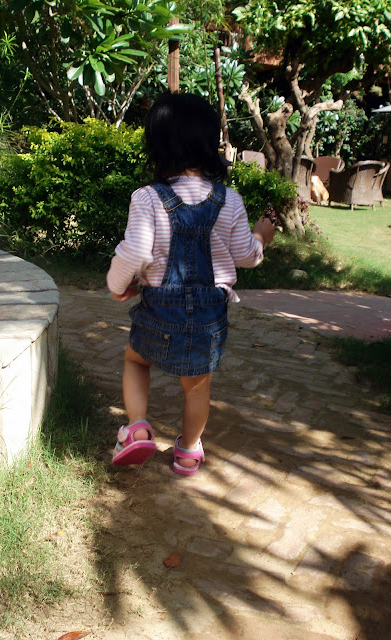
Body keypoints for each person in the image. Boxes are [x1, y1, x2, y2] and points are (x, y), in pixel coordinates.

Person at [106, 93, 275, 476]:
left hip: (158, 308)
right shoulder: (229, 200)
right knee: (197, 387)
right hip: (208, 316)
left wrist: (117, 286)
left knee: (136, 360)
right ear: (210, 145)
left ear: (157, 146)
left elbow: (134, 253)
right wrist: (261, 236)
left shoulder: (147, 198)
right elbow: (246, 255)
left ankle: (137, 428)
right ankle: (187, 452)